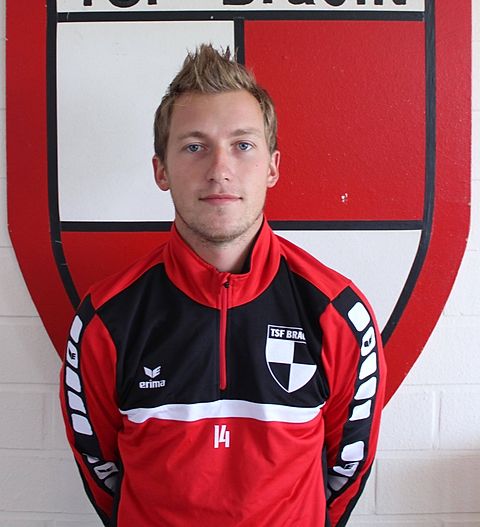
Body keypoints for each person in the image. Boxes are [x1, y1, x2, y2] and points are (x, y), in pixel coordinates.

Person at [60, 45, 386, 527]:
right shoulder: (106, 319)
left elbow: (347, 466)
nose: (219, 169)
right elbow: (100, 466)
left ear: (272, 167)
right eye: (194, 146)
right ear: (161, 170)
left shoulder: (336, 312)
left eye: (242, 145)